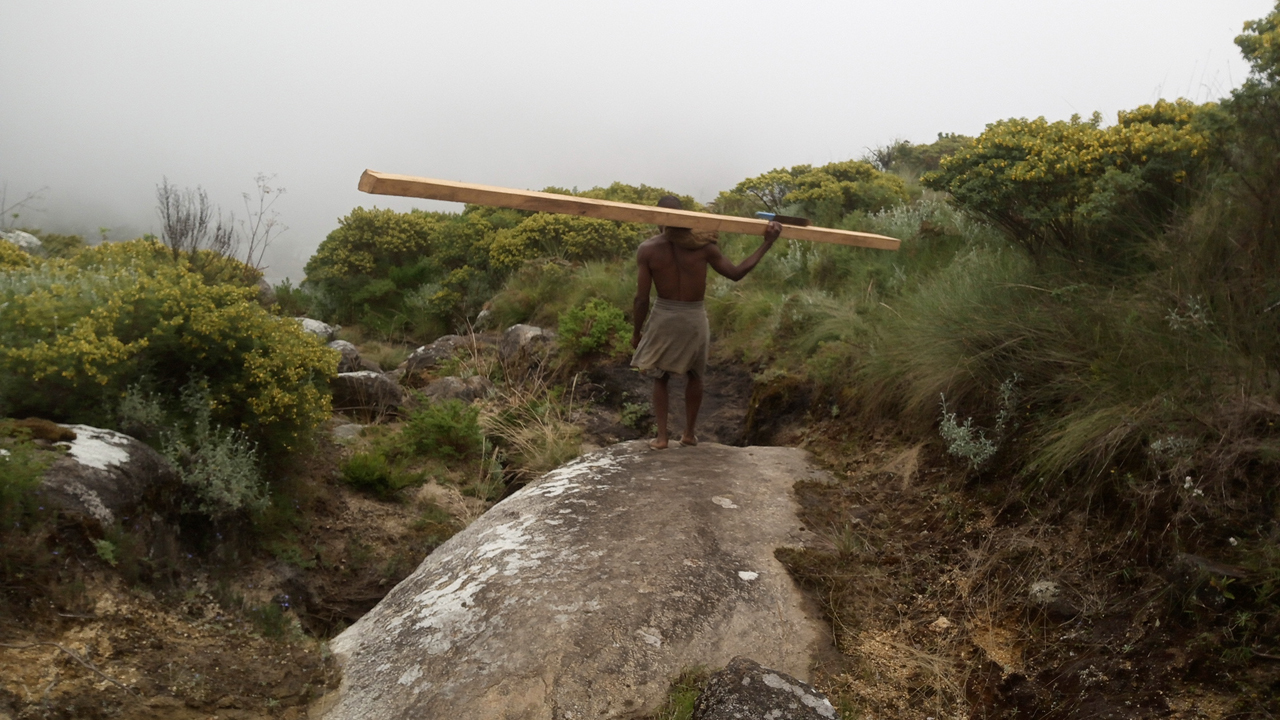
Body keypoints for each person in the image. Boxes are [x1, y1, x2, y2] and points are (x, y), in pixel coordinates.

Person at [630, 195, 782, 449]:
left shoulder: (648, 249)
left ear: (658, 219)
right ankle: (688, 434)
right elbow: (736, 273)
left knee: (660, 377)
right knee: (695, 375)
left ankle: (662, 437)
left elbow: (641, 299)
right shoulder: (704, 247)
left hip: (664, 316)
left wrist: (636, 332)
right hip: (693, 317)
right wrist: (767, 244)